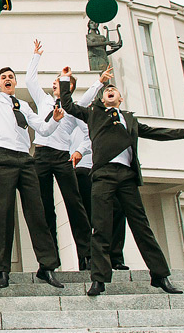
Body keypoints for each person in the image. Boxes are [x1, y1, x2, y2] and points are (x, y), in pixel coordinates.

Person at [58, 68, 184, 296]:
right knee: (101, 227)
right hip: (103, 175)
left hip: (126, 177)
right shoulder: (93, 114)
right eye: (107, 90)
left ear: (120, 98)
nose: (110, 91)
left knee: (141, 226)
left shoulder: (130, 119)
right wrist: (65, 80)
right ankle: (99, 280)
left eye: (114, 90)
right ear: (102, 98)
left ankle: (160, 276)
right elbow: (67, 105)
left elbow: (154, 132)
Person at [0, 18, 65, 289]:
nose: (6, 80)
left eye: (10, 78)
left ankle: (46, 267)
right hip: (4, 159)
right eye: (3, 77)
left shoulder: (24, 105)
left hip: (26, 160)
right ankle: (2, 269)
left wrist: (56, 119)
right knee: (3, 213)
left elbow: (43, 129)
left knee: (37, 213)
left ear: (15, 83)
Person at [26, 41, 108, 270]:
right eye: (54, 83)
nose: (55, 85)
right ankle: (50, 260)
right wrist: (36, 56)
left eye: (60, 83)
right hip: (40, 156)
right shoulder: (43, 101)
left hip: (62, 157)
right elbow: (29, 82)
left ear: (68, 87)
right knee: (45, 207)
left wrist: (80, 150)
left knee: (75, 205)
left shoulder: (73, 108)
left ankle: (87, 255)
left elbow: (89, 129)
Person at [70, 114, 129, 270]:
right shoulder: (75, 120)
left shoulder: (107, 123)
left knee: (117, 210)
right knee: (86, 217)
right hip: (82, 169)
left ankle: (115, 257)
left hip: (105, 171)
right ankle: (87, 258)